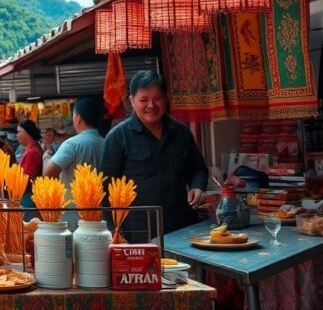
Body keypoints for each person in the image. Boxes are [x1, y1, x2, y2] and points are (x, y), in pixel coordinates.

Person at [101, 70, 208, 235]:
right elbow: (104, 188)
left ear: (166, 99)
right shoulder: (117, 137)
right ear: (132, 101)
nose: (151, 105)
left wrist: (197, 186)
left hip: (182, 227)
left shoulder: (181, 132)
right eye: (144, 100)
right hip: (137, 231)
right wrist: (114, 230)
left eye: (157, 98)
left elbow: (198, 169)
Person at [44, 98, 105, 222]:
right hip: (100, 214)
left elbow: (48, 174)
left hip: (72, 214)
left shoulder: (72, 144)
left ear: (78, 118)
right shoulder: (105, 143)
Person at [17, 120, 43, 209]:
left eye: (19, 132)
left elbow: (27, 179)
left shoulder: (33, 152)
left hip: (29, 198)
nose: (17, 135)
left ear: (27, 133)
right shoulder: (32, 149)